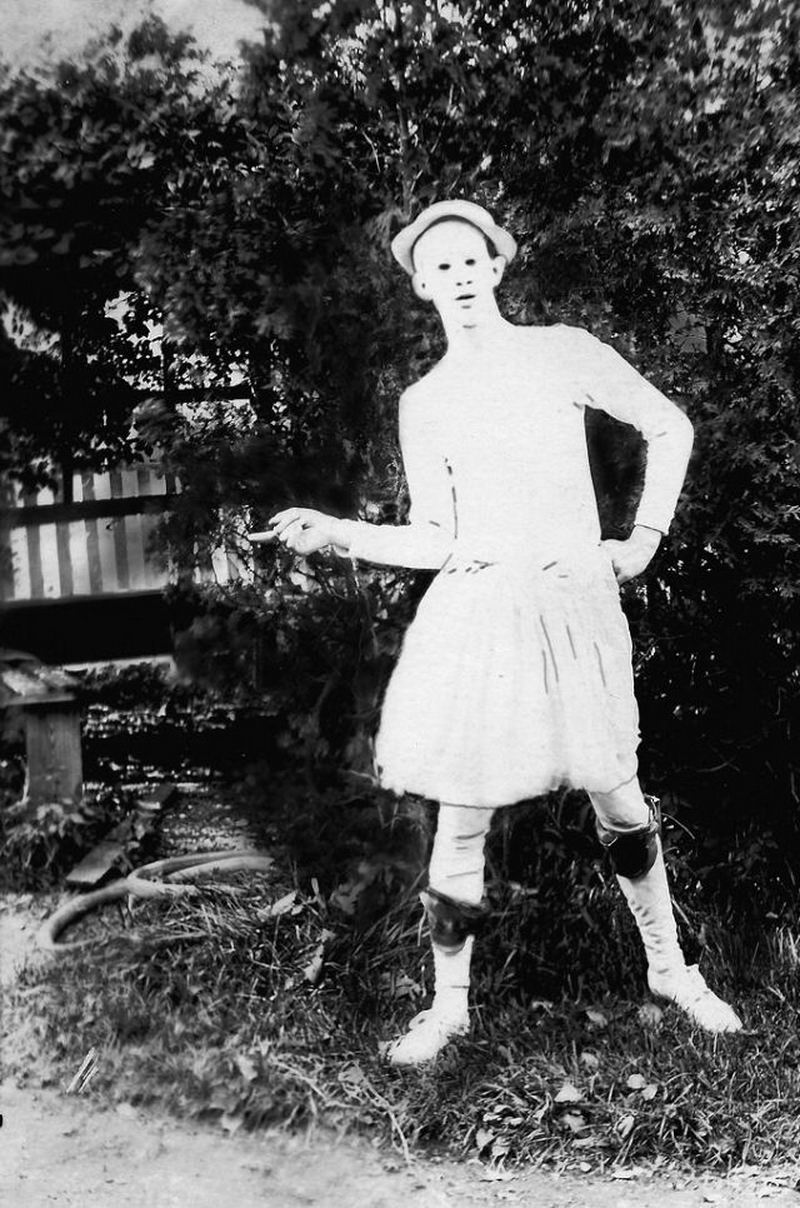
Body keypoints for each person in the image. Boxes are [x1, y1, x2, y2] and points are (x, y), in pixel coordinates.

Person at [250, 199, 742, 1065]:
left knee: (619, 796)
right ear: (421, 285)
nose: (460, 276)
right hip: (479, 616)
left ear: (497, 267)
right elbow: (438, 537)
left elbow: (672, 424)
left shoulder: (562, 351)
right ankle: (450, 1009)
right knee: (461, 816)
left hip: (572, 602)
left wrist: (642, 541)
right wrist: (339, 533)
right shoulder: (425, 401)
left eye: (472, 259)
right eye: (440, 266)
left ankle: (671, 969)